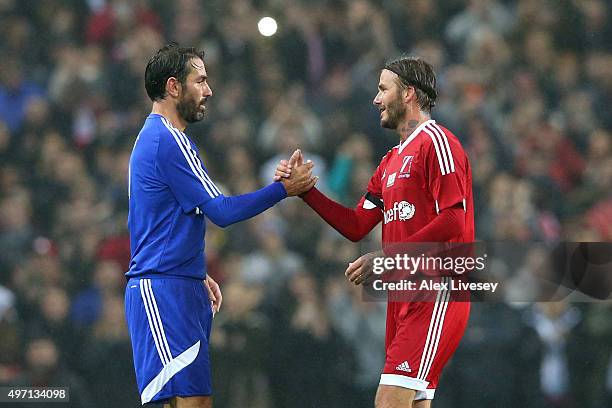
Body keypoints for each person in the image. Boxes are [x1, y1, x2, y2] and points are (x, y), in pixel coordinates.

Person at [125, 43, 316, 408]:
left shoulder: (166, 138)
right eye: (200, 80)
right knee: (183, 402)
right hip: (162, 291)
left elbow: (166, 219)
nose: (209, 90)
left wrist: (194, 271)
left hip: (178, 283)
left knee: (193, 402)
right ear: (173, 86)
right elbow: (222, 212)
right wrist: (283, 189)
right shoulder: (166, 139)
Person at [276, 56, 474, 407]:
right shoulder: (390, 161)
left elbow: (454, 220)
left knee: (389, 401)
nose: (376, 98)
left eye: (383, 89)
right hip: (403, 295)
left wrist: (386, 258)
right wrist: (305, 191)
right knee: (413, 402)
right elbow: (356, 226)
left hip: (436, 288)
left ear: (409, 94)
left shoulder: (437, 142)